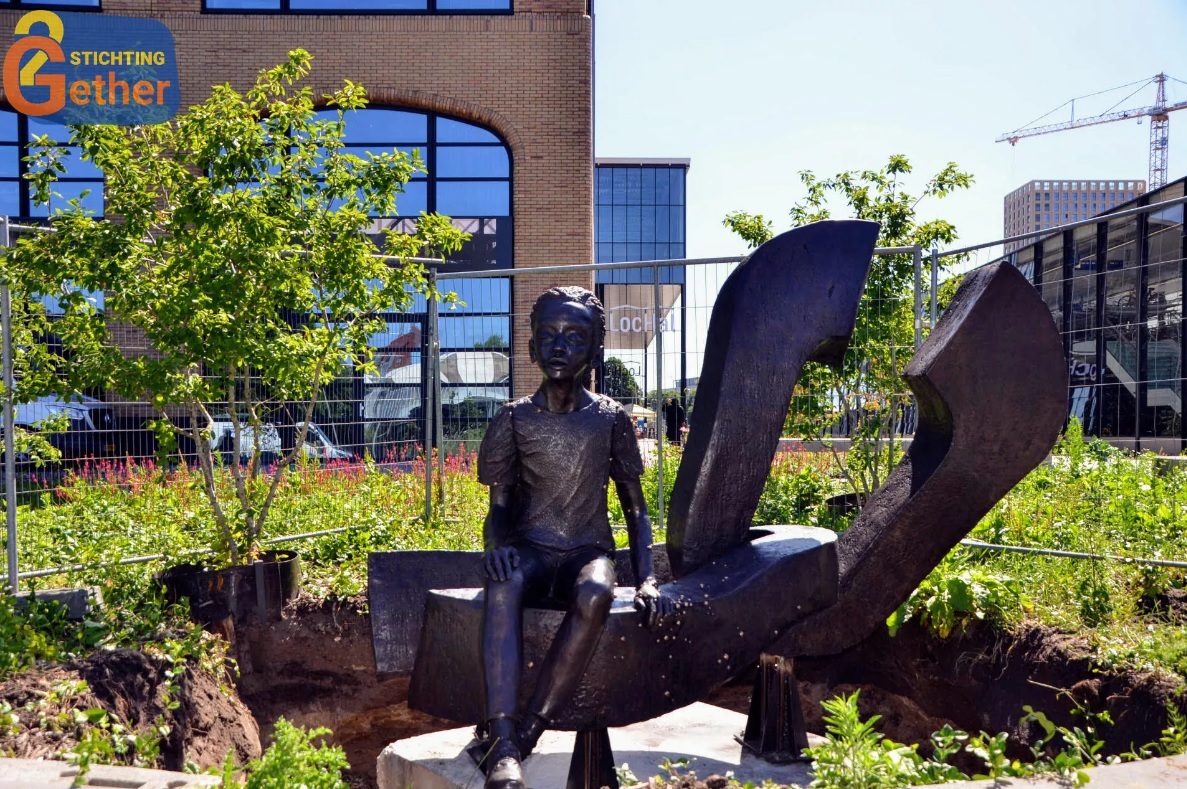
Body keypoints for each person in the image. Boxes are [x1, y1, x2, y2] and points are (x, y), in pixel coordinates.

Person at [476, 287, 674, 789]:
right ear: (530, 348)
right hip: (532, 550)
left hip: (588, 551)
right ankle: (500, 741)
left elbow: (637, 508)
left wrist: (648, 578)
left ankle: (528, 732)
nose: (559, 346)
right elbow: (498, 510)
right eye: (548, 336)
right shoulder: (513, 420)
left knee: (596, 590)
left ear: (596, 348)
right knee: (502, 583)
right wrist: (495, 547)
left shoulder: (610, 419)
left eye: (574, 336)